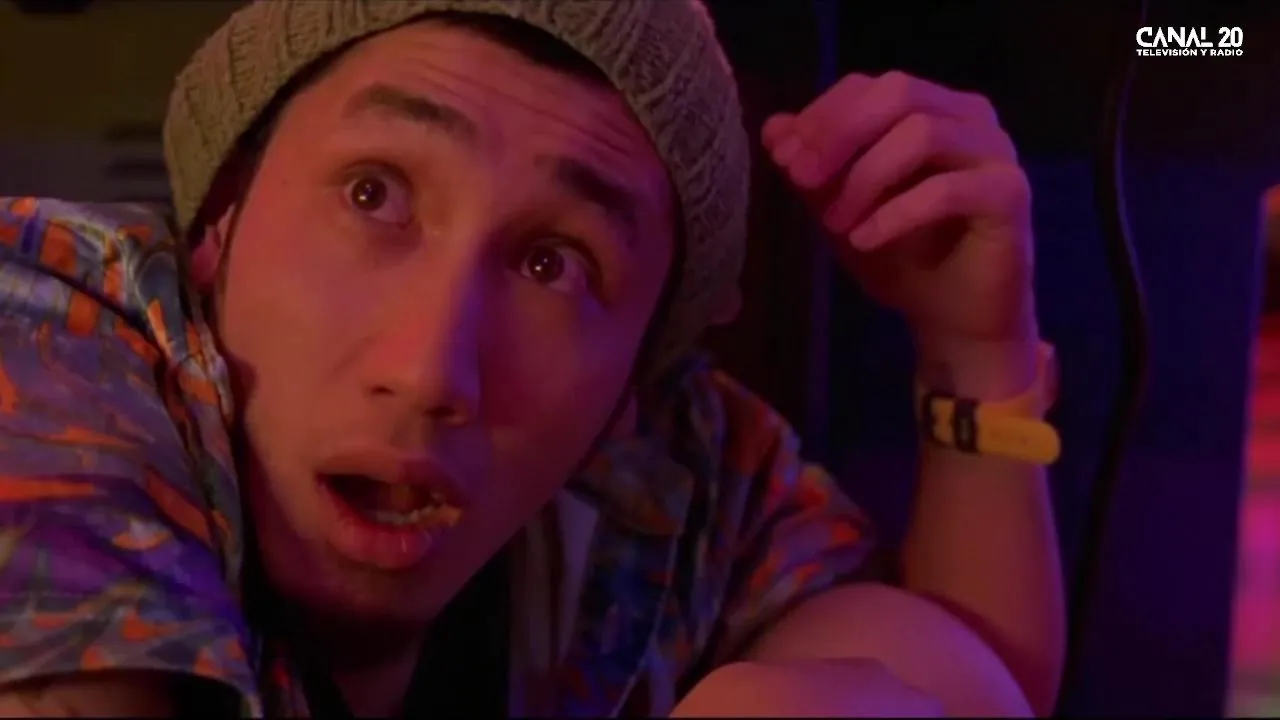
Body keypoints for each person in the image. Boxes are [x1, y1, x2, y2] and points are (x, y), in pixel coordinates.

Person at [0, 0, 1063, 716]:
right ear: (219, 224)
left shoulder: (668, 472)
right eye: (373, 194)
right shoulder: (51, 337)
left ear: (629, 385)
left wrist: (972, 356)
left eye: (554, 264)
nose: (430, 371)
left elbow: (972, 678)